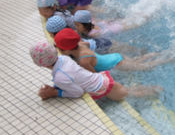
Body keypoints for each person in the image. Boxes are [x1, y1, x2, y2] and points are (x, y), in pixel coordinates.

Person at [30, 41, 162, 101]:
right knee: (130, 90)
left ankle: (158, 90)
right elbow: (72, 77)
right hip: (103, 79)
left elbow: (77, 92)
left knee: (131, 93)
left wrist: (55, 93)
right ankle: (156, 88)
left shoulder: (60, 77)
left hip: (105, 88)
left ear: (40, 64)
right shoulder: (64, 59)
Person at [54, 28, 173, 73]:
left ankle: (168, 60)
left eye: (60, 48)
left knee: (146, 66)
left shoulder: (84, 61)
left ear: (68, 49)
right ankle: (161, 53)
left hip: (118, 64)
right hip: (116, 56)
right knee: (139, 60)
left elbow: (94, 76)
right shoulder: (81, 44)